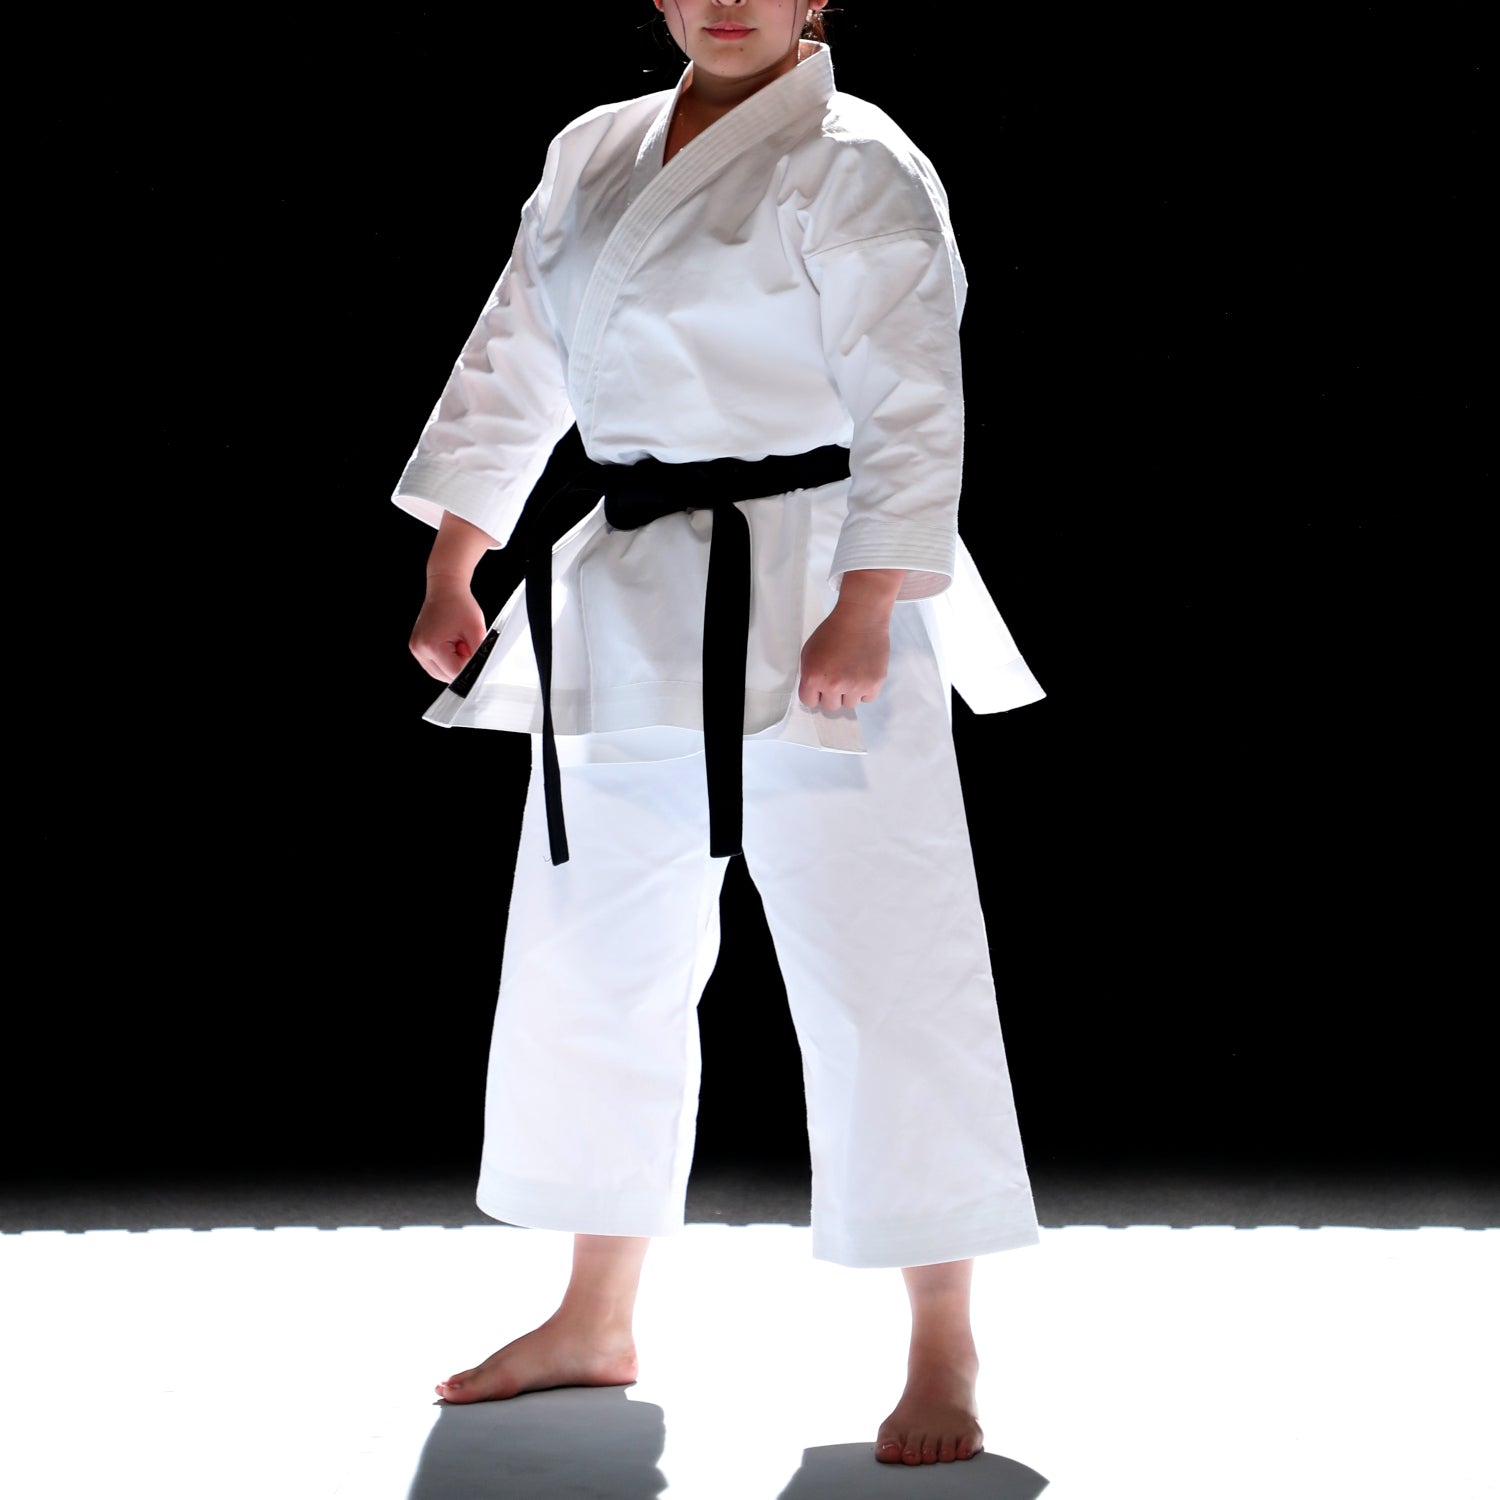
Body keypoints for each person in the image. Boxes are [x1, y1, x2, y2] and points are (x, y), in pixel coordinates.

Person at [399, 0, 1045, 1468]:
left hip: (819, 571)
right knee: (590, 948)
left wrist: (872, 596)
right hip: (630, 580)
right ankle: (592, 1313)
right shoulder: (593, 149)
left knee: (885, 953)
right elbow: (516, 358)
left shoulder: (858, 158)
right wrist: (461, 555)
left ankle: (943, 1338)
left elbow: (912, 396)